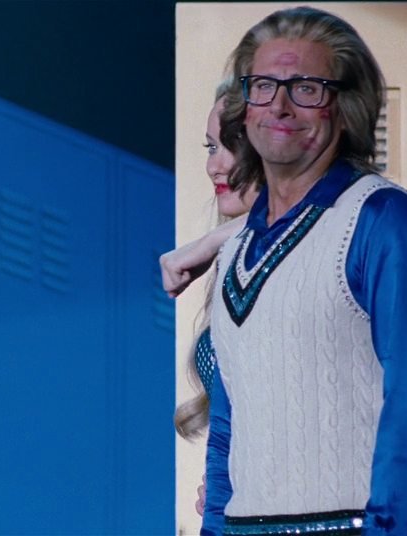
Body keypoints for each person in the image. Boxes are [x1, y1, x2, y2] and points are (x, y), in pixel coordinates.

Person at [201, 6, 407, 535]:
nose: (280, 105)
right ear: (244, 109)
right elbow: (227, 434)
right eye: (263, 86)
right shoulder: (234, 253)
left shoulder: (383, 222)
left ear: (345, 109)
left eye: (306, 88)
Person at [164, 82, 259, 520]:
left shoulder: (301, 250)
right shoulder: (238, 252)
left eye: (230, 146)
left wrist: (211, 241)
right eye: (210, 147)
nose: (213, 166)